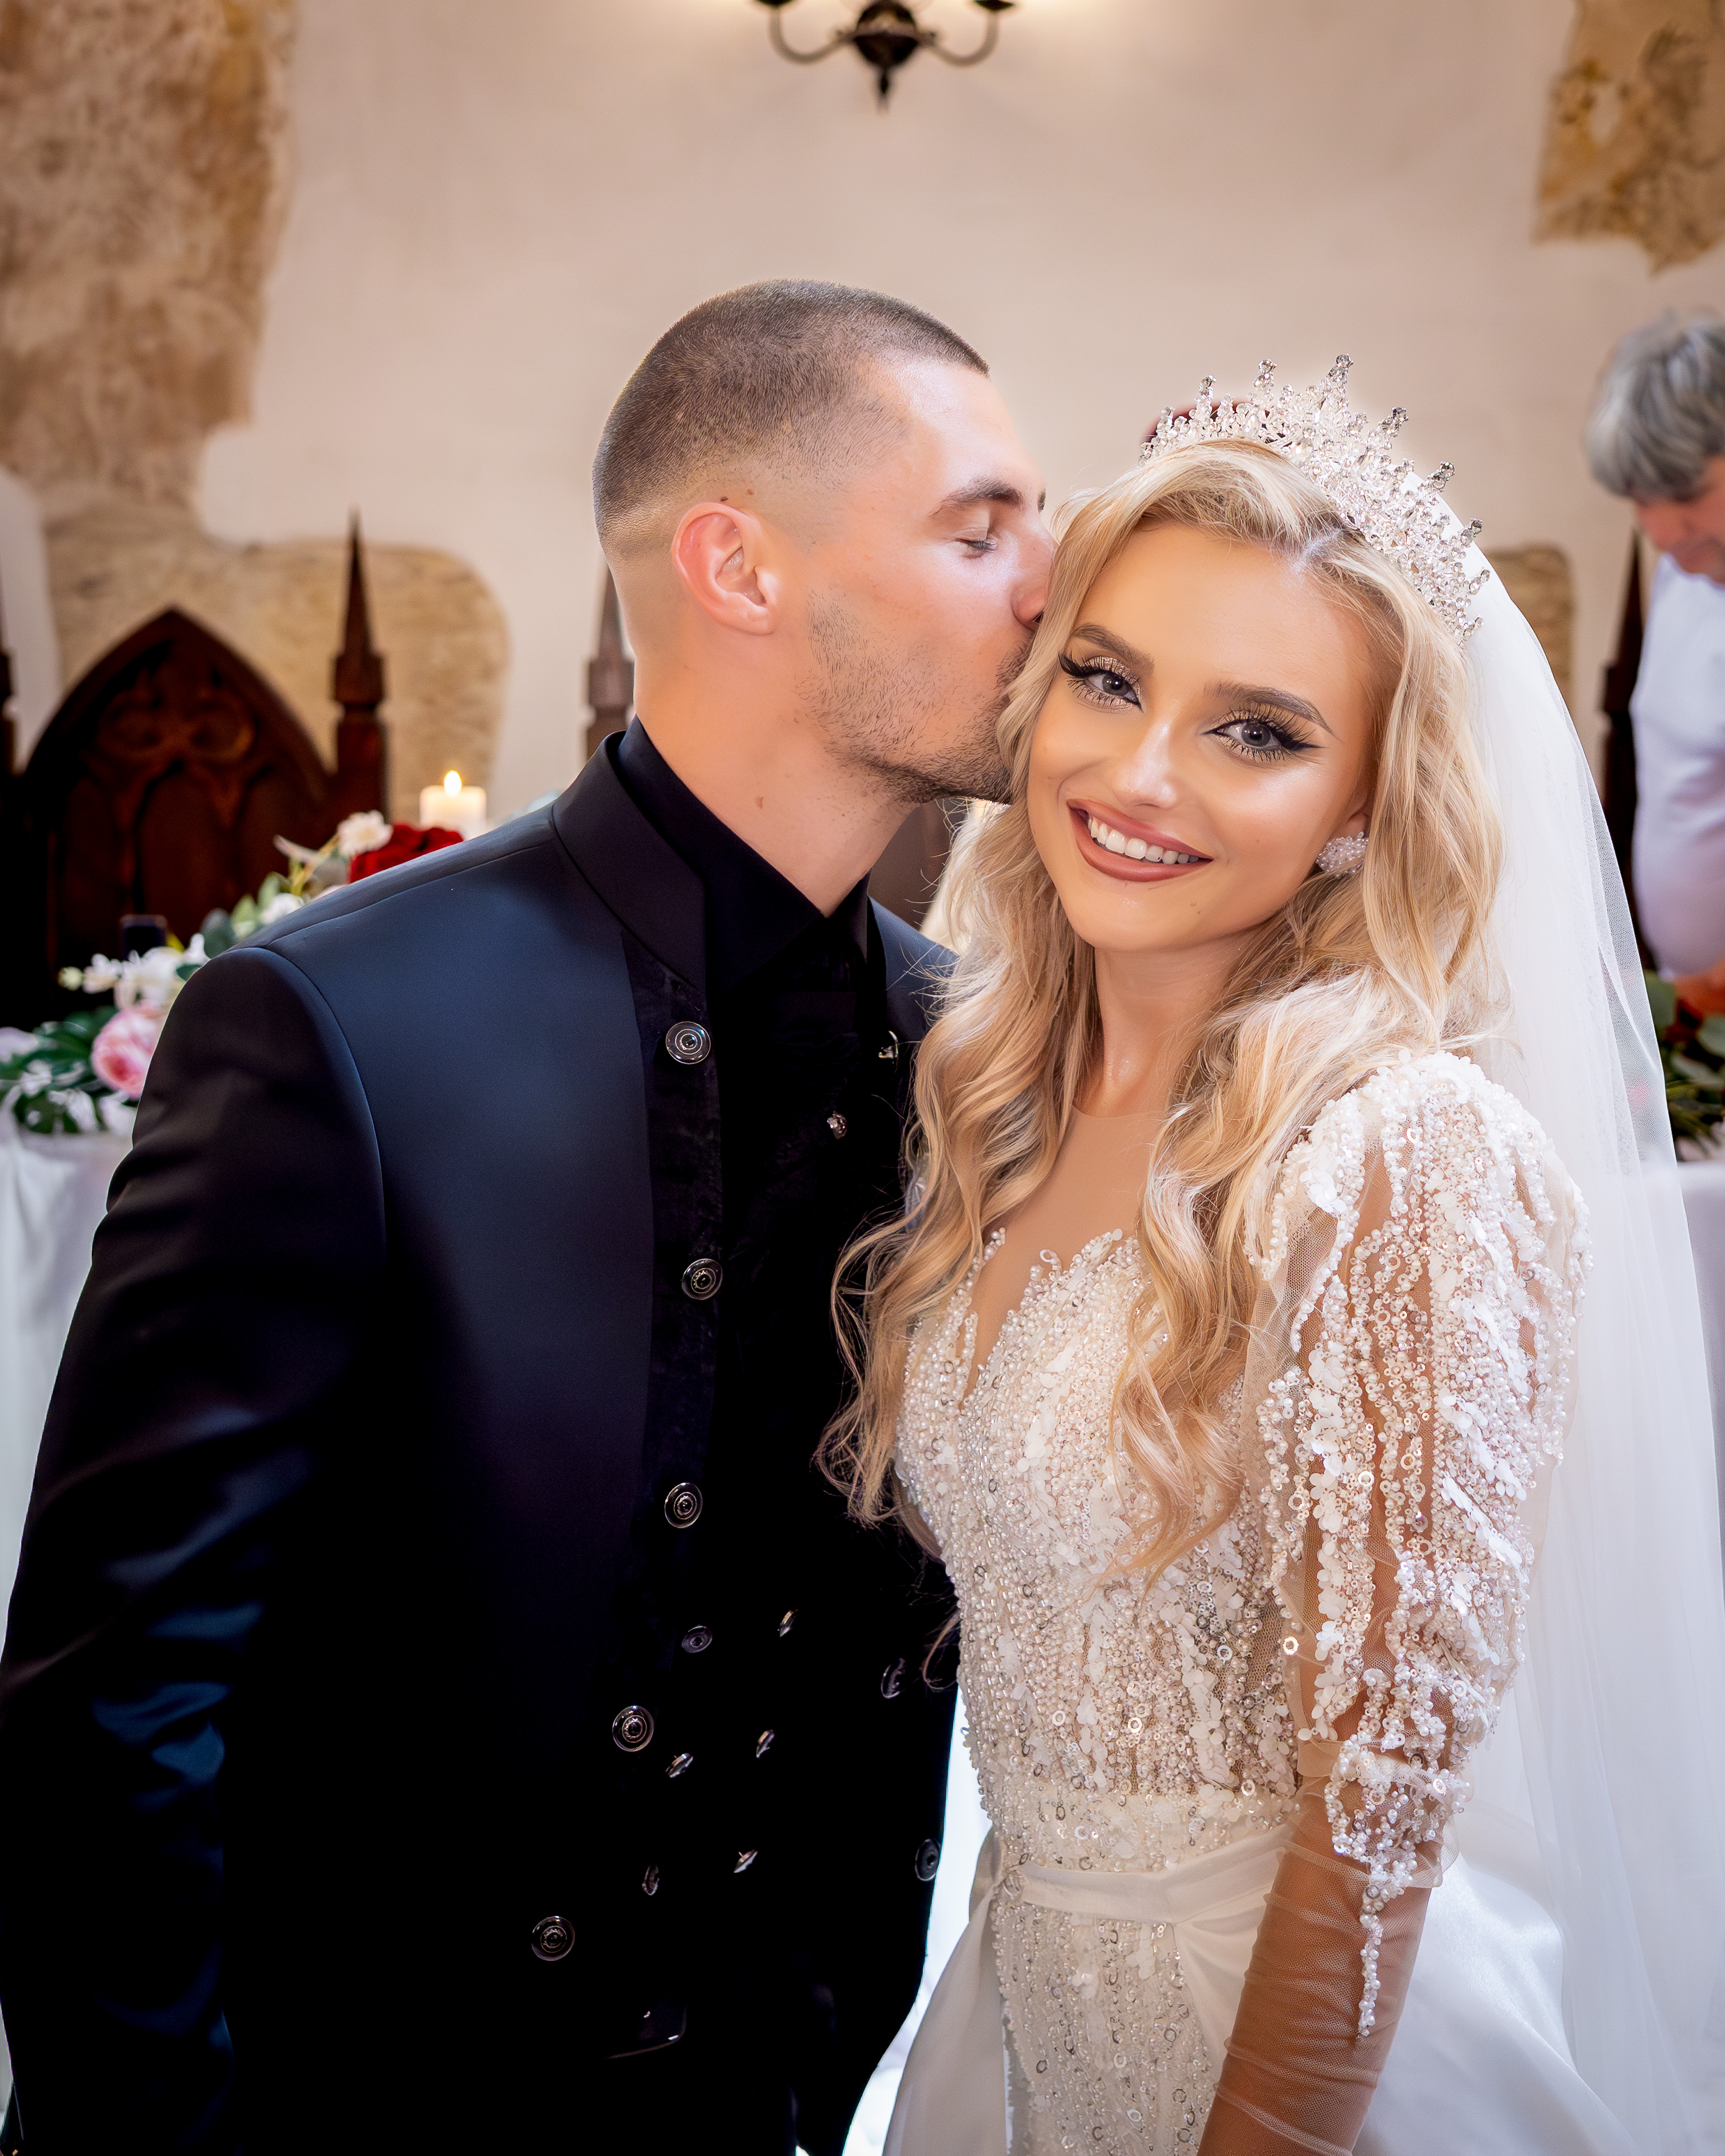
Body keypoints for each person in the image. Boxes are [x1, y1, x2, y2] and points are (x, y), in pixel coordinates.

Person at [0, 281, 1051, 2153]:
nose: (1047, 588)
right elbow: (113, 1704)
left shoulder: (977, 1050)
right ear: (737, 565)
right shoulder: (335, 1023)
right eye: (981, 531)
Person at [828, 365, 1725, 2153]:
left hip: (1292, 2053)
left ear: (1361, 802)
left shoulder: (1398, 1156)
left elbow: (1376, 1795)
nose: (1138, 773)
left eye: (1254, 730)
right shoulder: (992, 1099)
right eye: (1106, 678)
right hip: (1013, 2007)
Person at [1585, 313, 1725, 1004]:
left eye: (1686, 494)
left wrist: (1702, 996)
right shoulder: (1682, 572)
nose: (1661, 530)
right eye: (1641, 500)